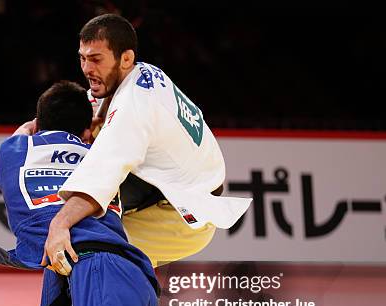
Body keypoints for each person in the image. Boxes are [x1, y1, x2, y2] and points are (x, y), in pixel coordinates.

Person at [0, 80, 280, 306]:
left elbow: (15, 143)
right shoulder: (101, 159)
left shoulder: (10, 154)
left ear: (37, 125)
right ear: (87, 130)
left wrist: (28, 131)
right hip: (115, 268)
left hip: (108, 270)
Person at [42, 14, 251, 282]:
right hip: (174, 192)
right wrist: (39, 125)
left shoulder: (134, 105)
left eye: (95, 59)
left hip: (182, 216)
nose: (86, 68)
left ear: (125, 58)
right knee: (102, 252)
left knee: (85, 247)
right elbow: (84, 106)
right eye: (82, 58)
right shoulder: (143, 72)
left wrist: (57, 225)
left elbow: (99, 178)